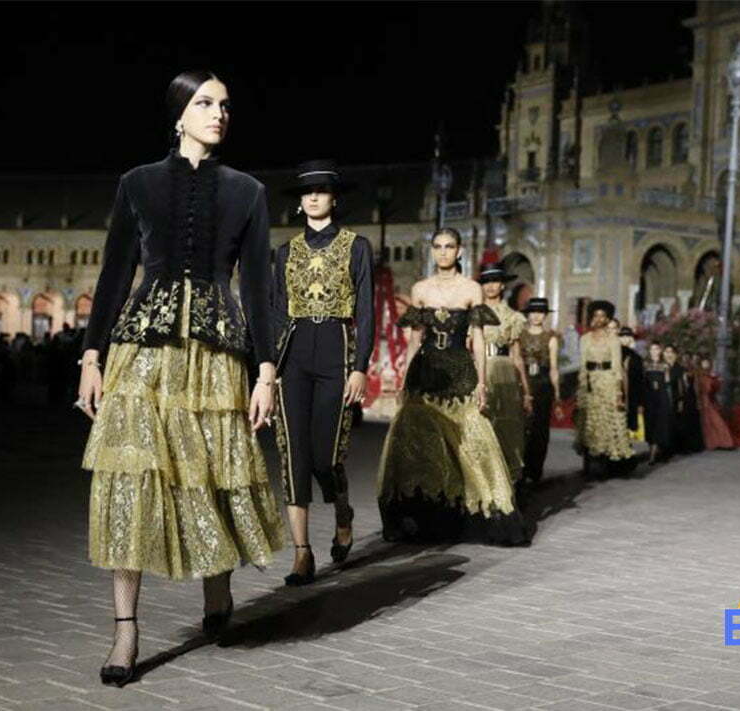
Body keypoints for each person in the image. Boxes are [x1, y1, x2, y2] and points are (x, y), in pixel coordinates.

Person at [76, 71, 286, 687]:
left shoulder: (247, 191)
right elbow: (115, 274)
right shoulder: (137, 184)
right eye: (205, 103)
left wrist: (265, 373)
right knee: (130, 481)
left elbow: (257, 287)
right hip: (142, 353)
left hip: (217, 357)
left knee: (214, 473)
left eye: (225, 105)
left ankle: (217, 591)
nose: (219, 113)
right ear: (178, 115)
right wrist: (91, 358)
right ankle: (125, 629)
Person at [377, 228, 531, 546]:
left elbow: (479, 341)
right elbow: (415, 339)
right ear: (432, 251)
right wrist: (404, 379)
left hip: (460, 369)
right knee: (421, 442)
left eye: (449, 246)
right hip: (425, 372)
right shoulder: (420, 289)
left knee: (471, 439)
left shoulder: (471, 289)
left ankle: (476, 512)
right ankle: (427, 514)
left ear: (459, 251)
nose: (443, 252)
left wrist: (482, 382)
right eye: (438, 246)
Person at [272, 160, 374, 585]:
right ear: (300, 201)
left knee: (325, 456)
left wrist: (360, 367)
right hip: (293, 354)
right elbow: (276, 311)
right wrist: (268, 370)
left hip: (336, 349)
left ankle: (342, 510)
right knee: (293, 454)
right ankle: (302, 553)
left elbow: (366, 310)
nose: (313, 196)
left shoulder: (356, 246)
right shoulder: (285, 252)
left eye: (321, 189)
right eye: (307, 191)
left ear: (335, 198)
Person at [478, 263, 531, 483]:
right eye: (486, 282)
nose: (490, 286)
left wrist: (526, 392)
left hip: (506, 373)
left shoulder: (513, 317)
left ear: (502, 285)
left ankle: (507, 481)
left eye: (495, 281)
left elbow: (517, 357)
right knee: (481, 423)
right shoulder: (474, 313)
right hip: (481, 369)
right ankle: (483, 481)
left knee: (507, 425)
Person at [574, 301, 633, 471]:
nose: (599, 319)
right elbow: (582, 365)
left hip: (608, 381)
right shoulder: (585, 339)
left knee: (606, 421)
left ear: (608, 319)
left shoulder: (613, 340)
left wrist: (618, 392)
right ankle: (589, 461)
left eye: (603, 316)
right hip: (590, 382)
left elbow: (616, 367)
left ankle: (606, 462)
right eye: (596, 315)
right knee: (588, 421)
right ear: (592, 318)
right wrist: (581, 386)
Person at [519, 297, 562, 486]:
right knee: (521, 426)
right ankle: (519, 469)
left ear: (545, 315)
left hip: (543, 384)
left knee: (540, 428)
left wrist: (557, 395)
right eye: (533, 312)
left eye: (540, 312)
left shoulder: (550, 338)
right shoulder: (519, 335)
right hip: (522, 382)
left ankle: (534, 471)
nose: (536, 316)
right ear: (528, 314)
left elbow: (554, 368)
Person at [665, 346, 704, 454]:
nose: (686, 360)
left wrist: (683, 400)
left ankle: (685, 446)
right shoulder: (669, 367)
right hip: (674, 398)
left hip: (684, 398)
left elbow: (686, 386)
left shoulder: (684, 370)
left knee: (684, 422)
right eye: (684, 358)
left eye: (688, 358)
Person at [643, 341, 675, 464]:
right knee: (650, 424)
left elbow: (668, 384)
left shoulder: (664, 365)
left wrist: (670, 401)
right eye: (652, 349)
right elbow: (642, 382)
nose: (654, 351)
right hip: (649, 397)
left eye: (656, 349)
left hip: (661, 397)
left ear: (660, 350)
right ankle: (653, 451)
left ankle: (653, 455)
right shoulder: (645, 365)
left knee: (660, 425)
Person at [695, 356, 736, 450]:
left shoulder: (711, 375)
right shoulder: (699, 375)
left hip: (710, 400)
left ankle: (724, 442)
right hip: (703, 400)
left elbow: (714, 389)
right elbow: (698, 389)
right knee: (709, 422)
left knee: (716, 421)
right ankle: (713, 443)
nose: (706, 365)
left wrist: (716, 381)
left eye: (707, 363)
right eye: (704, 363)